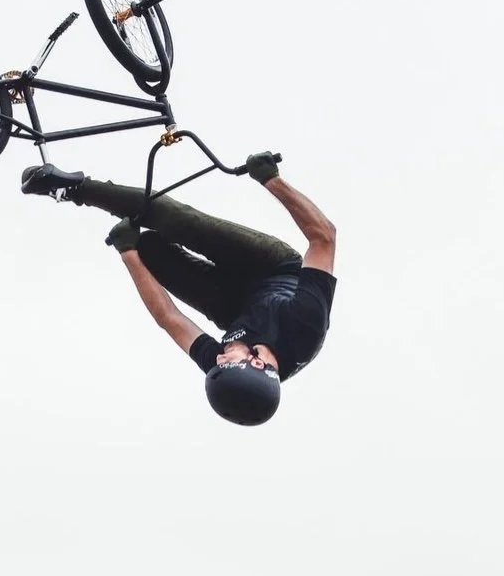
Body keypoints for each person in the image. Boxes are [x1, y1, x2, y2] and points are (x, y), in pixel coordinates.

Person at [21, 153, 336, 425]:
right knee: (178, 221)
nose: (219, 356)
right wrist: (272, 180)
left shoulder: (223, 368)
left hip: (235, 307)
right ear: (257, 363)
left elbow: (169, 318)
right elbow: (323, 237)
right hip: (274, 268)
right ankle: (75, 188)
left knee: (149, 252)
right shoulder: (305, 326)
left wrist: (128, 253)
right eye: (227, 360)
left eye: (219, 362)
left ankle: (134, 233)